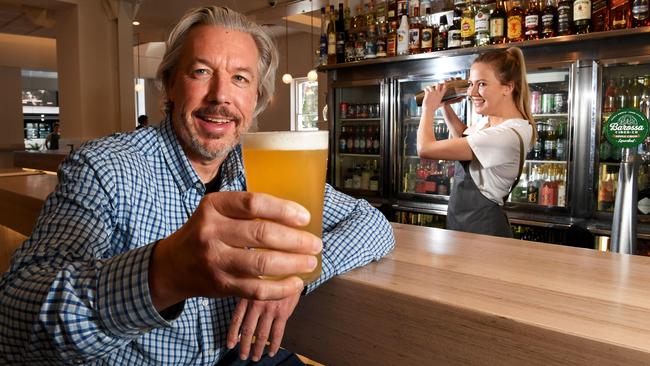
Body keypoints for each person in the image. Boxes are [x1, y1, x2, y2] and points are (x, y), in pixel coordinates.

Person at [0, 6, 394, 365]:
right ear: (169, 85)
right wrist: (163, 273)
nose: (220, 96)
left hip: (241, 354)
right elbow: (13, 322)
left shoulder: (257, 166)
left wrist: (295, 278)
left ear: (257, 98)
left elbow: (371, 224)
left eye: (240, 78)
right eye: (201, 72)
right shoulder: (105, 167)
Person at [416, 47, 535, 238]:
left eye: (481, 84)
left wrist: (428, 109)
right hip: (462, 224)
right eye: (471, 83)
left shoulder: (506, 134)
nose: (471, 92)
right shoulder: (490, 122)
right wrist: (444, 105)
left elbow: (425, 149)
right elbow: (463, 137)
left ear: (508, 87)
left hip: (484, 231)